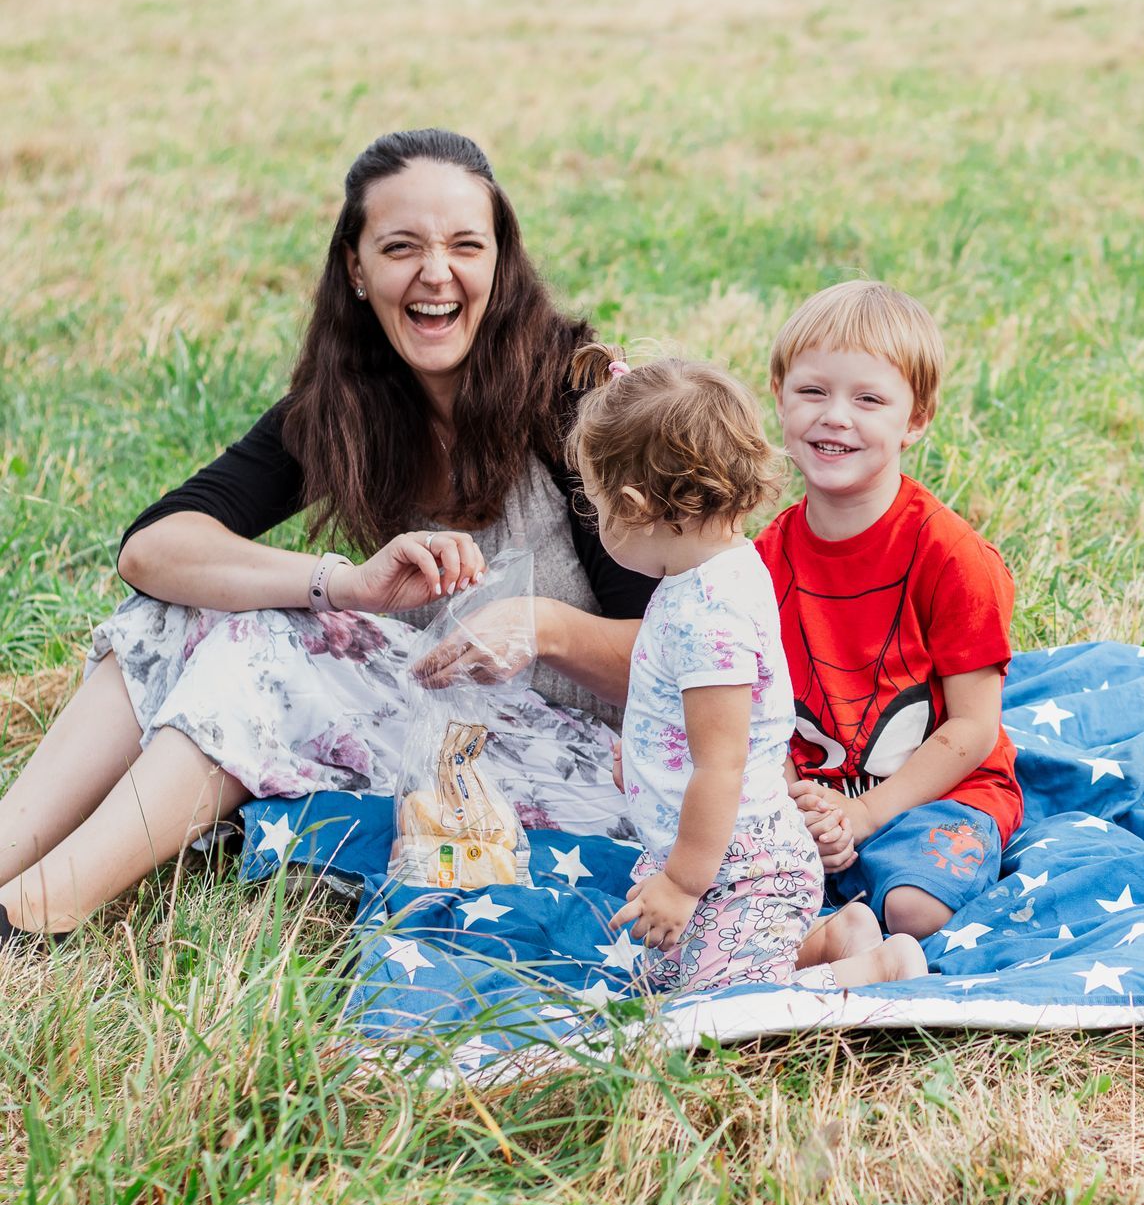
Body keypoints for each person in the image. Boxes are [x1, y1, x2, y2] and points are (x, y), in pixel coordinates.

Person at [0, 129, 654, 944]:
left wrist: (541, 627)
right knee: (177, 612)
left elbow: (691, 653)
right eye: (401, 246)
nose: (435, 273)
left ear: (501, 262)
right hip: (435, 747)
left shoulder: (578, 403)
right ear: (356, 267)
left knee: (266, 649)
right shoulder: (349, 408)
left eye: (464, 246)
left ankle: (38, 911)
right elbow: (153, 549)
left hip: (601, 781)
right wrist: (342, 584)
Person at [567, 346, 927, 991]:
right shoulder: (716, 571)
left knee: (715, 1003)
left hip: (740, 863)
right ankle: (828, 938)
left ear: (632, 505)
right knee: (671, 970)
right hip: (718, 850)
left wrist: (680, 883)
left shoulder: (708, 617)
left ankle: (874, 967)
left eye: (594, 508)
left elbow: (721, 763)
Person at [758, 281, 1023, 940]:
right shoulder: (763, 558)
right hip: (819, 793)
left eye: (869, 399)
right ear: (779, 395)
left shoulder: (954, 557)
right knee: (737, 895)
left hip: (942, 789)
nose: (835, 417)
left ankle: (869, 925)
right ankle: (838, 936)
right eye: (813, 391)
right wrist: (802, 808)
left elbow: (973, 732)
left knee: (913, 909)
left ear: (915, 419)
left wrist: (868, 815)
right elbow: (761, 707)